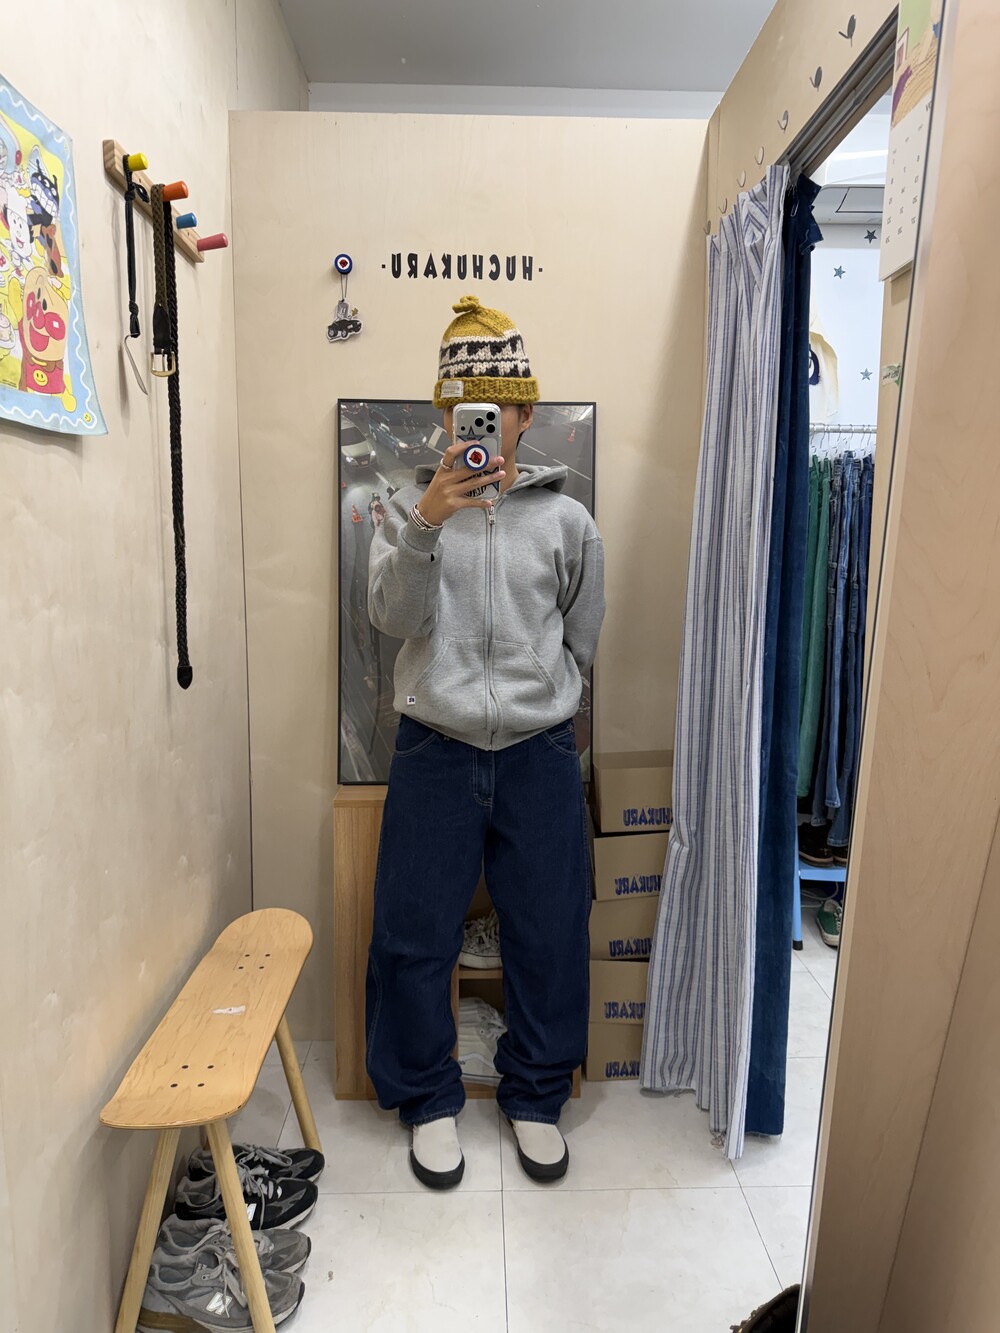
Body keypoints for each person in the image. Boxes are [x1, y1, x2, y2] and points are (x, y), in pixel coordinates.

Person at [365, 294, 605, 1188]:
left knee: (551, 930)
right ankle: (428, 1099)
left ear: (525, 411)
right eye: (466, 408)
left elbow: (584, 629)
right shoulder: (407, 509)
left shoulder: (567, 520)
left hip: (540, 751)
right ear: (444, 414)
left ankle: (535, 1094)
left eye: (499, 407)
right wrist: (427, 523)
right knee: (412, 932)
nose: (484, 424)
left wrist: (553, 702)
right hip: (435, 745)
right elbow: (391, 619)